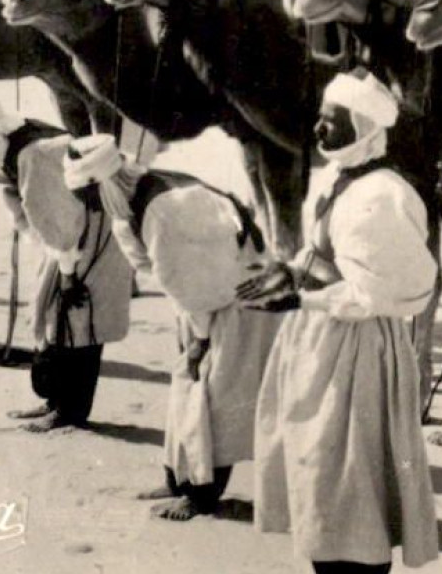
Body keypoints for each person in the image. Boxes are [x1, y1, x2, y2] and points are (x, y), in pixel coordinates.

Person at [240, 70, 440, 574]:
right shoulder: (339, 179)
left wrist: (301, 301)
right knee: (315, 460)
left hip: (358, 346)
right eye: (323, 118)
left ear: (365, 128)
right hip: (319, 337)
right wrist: (288, 273)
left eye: (333, 122)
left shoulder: (383, 197)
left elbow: (378, 293)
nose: (319, 128)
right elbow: (320, 251)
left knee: (354, 466)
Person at [63, 133, 281, 520]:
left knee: (212, 401)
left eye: (86, 196)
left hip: (237, 304)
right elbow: (163, 272)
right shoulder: (133, 200)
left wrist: (198, 340)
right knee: (186, 391)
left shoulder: (165, 209)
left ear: (103, 185)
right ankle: (178, 478)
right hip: (207, 303)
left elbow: (201, 287)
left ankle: (201, 495)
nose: (84, 205)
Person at [0, 98, 132, 432]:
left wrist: (67, 273)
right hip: (73, 236)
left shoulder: (33, 153)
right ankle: (55, 401)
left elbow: (60, 221)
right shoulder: (17, 146)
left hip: (86, 235)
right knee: (56, 317)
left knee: (78, 319)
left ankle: (71, 411)